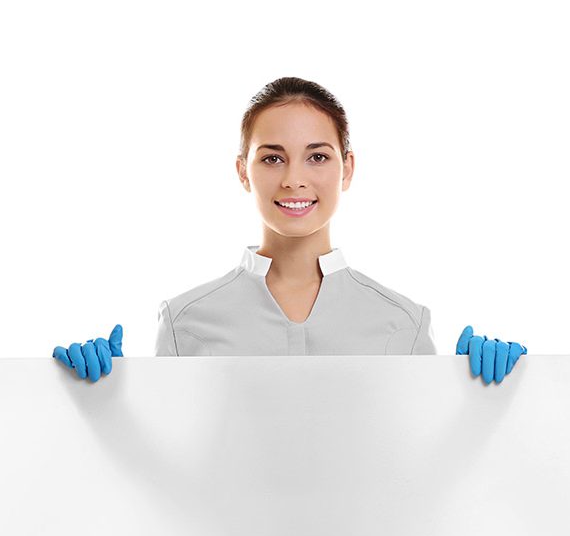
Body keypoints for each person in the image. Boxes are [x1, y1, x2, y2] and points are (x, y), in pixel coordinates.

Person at [53, 76, 527, 385]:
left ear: (347, 168)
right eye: (272, 158)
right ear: (243, 171)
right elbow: (167, 466)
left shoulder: (404, 323)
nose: (294, 179)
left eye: (317, 156)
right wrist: (98, 397)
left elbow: (428, 466)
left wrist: (487, 395)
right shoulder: (185, 321)